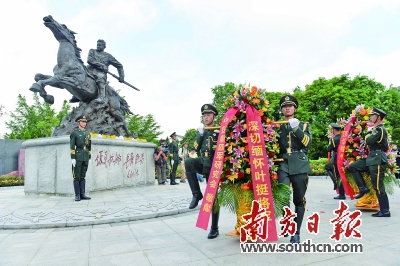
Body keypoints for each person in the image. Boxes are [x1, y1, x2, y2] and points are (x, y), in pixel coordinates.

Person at [276, 95, 312, 244]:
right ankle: (287, 221)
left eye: (290, 106)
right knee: (283, 196)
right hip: (283, 163)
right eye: (284, 106)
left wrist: (296, 128)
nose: (287, 108)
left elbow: (307, 143)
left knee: (299, 199)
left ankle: (296, 233)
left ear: (295, 108)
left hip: (300, 163)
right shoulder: (276, 126)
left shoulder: (303, 125)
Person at [185, 104, 219, 239]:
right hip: (202, 162)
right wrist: (200, 134)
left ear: (214, 117)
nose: (206, 118)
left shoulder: (219, 130)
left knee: (212, 197)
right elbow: (195, 148)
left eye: (209, 115)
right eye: (204, 116)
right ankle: (196, 194)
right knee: (188, 162)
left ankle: (214, 228)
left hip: (214, 165)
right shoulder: (202, 130)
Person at [349, 107, 390, 217]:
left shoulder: (380, 129)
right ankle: (362, 188)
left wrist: (368, 134)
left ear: (379, 117)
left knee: (378, 185)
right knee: (353, 166)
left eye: (373, 115)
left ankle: (385, 210)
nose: (371, 117)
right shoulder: (376, 129)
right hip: (372, 158)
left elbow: (369, 140)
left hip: (377, 159)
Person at [81, 39, 125, 104]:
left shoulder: (108, 56)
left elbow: (119, 66)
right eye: (97, 45)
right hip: (89, 70)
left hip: (100, 73)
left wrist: (121, 76)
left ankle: (102, 98)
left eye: (100, 45)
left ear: (104, 47)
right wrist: (101, 65)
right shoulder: (92, 51)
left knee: (100, 77)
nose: (98, 46)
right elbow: (89, 60)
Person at [70, 115, 92, 201]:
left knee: (83, 176)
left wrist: (89, 157)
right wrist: (73, 158)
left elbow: (89, 146)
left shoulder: (87, 133)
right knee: (77, 176)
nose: (84, 123)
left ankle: (82, 194)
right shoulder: (75, 133)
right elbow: (72, 146)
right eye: (83, 122)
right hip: (78, 156)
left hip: (85, 156)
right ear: (79, 123)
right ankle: (77, 195)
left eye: (85, 122)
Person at [325, 123, 346, 200]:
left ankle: (341, 193)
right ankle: (340, 191)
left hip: (336, 158)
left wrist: (330, 141)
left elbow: (329, 149)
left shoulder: (335, 139)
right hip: (342, 158)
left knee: (338, 176)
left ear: (334, 130)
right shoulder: (342, 137)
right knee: (339, 175)